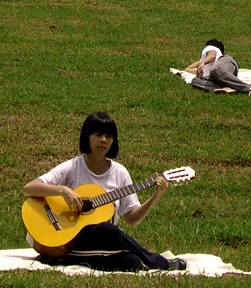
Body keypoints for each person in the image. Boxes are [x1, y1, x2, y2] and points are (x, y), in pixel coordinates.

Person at [22, 112, 186, 272]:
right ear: (87, 136)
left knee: (132, 262)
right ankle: (159, 262)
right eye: (98, 134)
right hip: (71, 238)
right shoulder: (73, 167)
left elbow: (132, 219)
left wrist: (155, 196)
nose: (103, 140)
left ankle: (62, 258)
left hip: (105, 244)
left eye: (108, 136)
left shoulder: (120, 172)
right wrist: (63, 191)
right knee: (108, 229)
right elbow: (29, 188)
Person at [184, 39, 251, 97]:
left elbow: (212, 55)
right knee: (195, 81)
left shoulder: (211, 48)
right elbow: (187, 70)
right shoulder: (205, 61)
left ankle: (249, 89)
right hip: (217, 77)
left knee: (215, 70)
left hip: (225, 63)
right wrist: (201, 63)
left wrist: (203, 62)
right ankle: (227, 88)